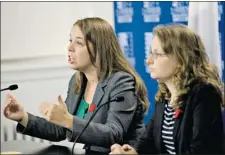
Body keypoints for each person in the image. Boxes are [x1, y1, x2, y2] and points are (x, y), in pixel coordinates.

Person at [2, 17, 149, 154]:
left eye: (78, 43)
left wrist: (68, 120)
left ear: (99, 48)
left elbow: (113, 134)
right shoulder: (77, 81)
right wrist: (22, 117)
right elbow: (61, 130)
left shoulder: (121, 82)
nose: (69, 47)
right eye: (70, 40)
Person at [110, 24, 225, 154]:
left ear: (182, 59)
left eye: (157, 54)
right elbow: (149, 141)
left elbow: (200, 151)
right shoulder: (165, 96)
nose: (149, 60)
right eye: (150, 53)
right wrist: (131, 152)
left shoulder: (204, 94)